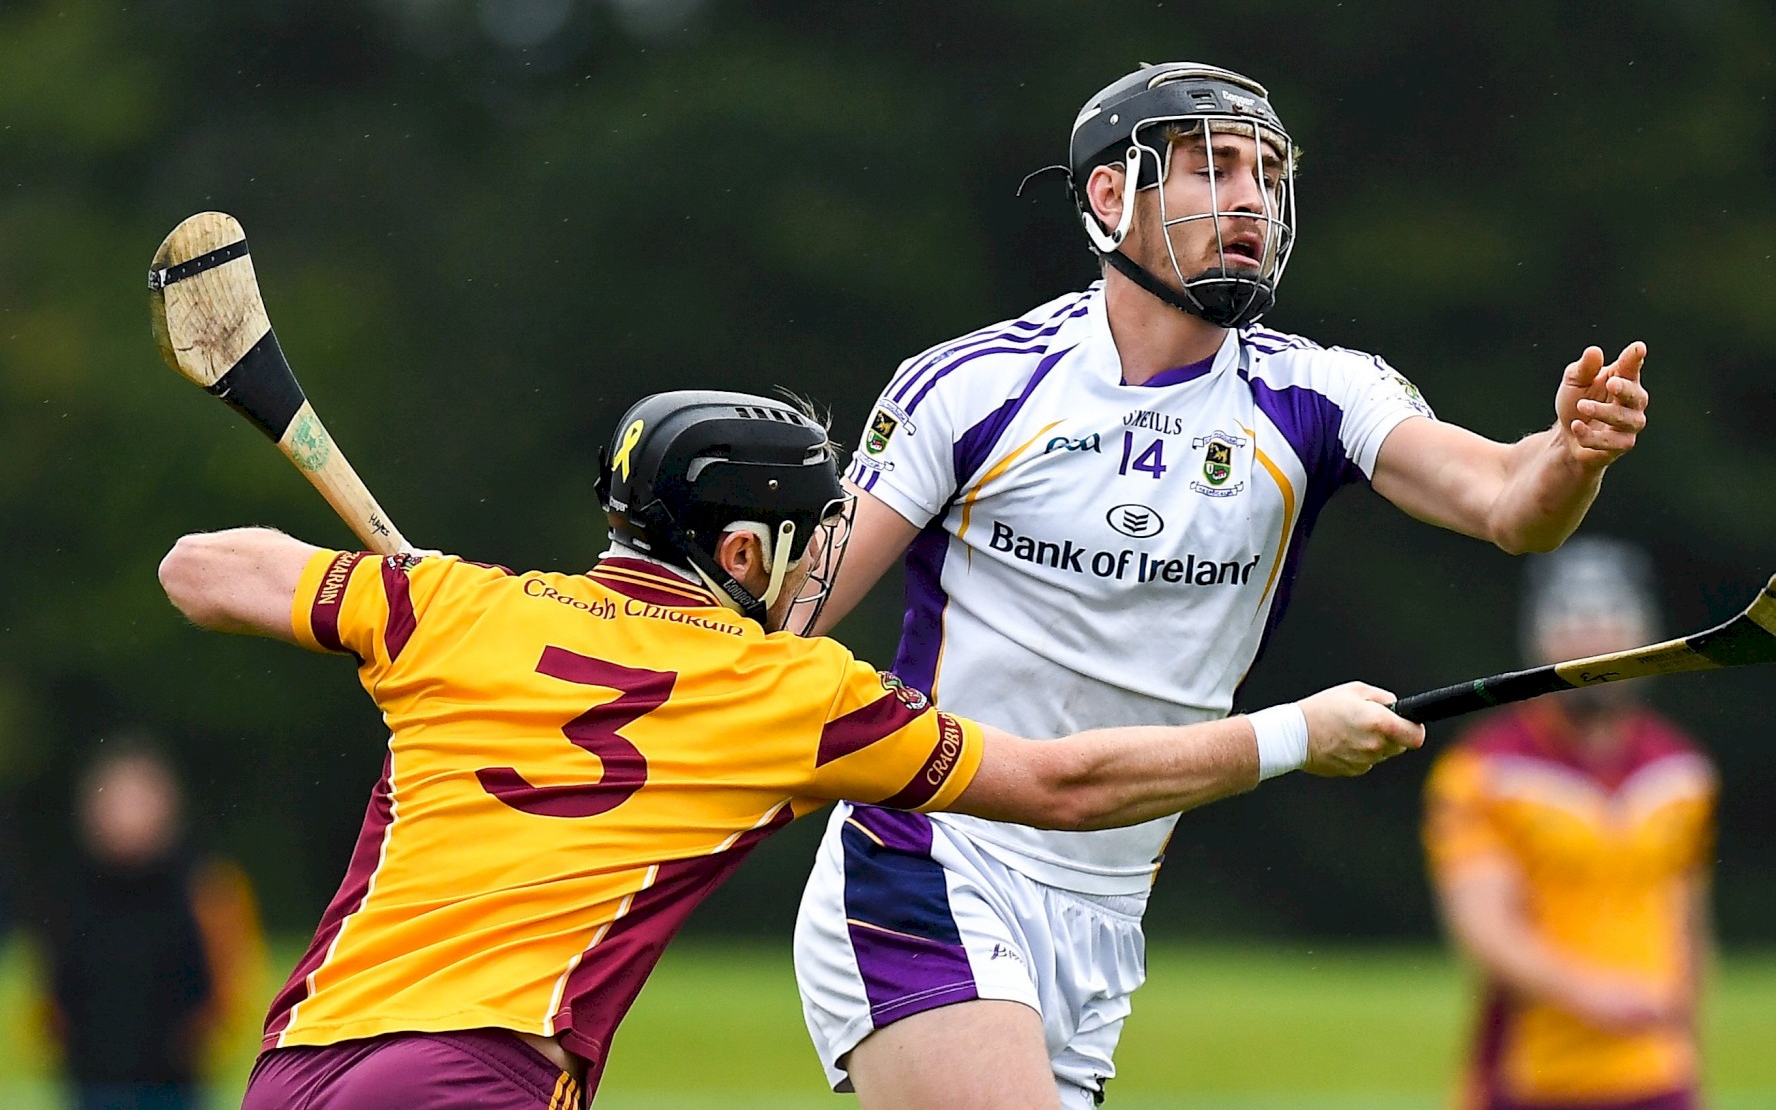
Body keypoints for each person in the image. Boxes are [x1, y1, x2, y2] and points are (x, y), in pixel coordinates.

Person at [156, 389, 1424, 1109]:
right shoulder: (791, 689)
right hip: (475, 1078)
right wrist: (1289, 736)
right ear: (745, 552)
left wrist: (417, 595)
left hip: (295, 1074)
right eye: (814, 529)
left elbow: (201, 570)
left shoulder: (455, 608)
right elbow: (1059, 782)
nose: (832, 553)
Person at [789, 61, 1652, 1110]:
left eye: (1266, 174)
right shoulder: (972, 387)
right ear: (1111, 196)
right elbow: (791, 618)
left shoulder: (1317, 392)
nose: (1250, 198)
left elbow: (1509, 504)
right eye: (1211, 167)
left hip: (1105, 911)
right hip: (924, 859)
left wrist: (1569, 455)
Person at [1423, 538, 1716, 1110]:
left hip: (1658, 1077)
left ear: (1645, 636)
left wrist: (1690, 1051)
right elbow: (1485, 928)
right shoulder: (1484, 771)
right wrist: (1591, 994)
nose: (1594, 642)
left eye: (1611, 622)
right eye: (1574, 622)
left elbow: (1687, 928)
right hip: (1532, 1080)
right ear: (1540, 637)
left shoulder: (1682, 771)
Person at [39, 738, 265, 1110]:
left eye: (137, 802)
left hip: (173, 1088)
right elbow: (52, 990)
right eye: (114, 803)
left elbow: (230, 987)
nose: (126, 817)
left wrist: (191, 1044)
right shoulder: (71, 892)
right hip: (89, 1084)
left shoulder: (206, 886)